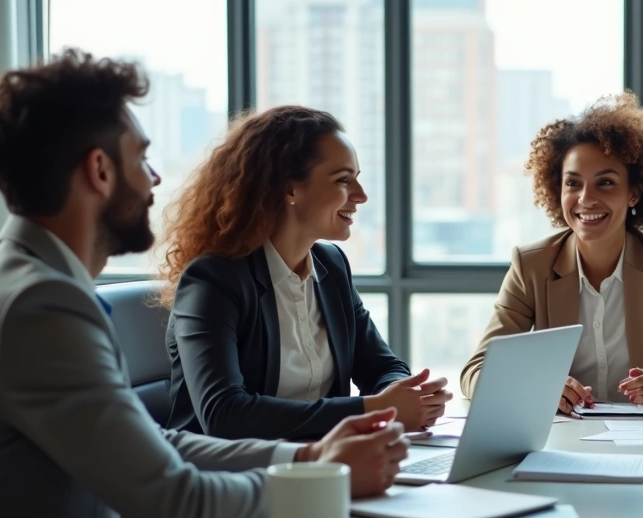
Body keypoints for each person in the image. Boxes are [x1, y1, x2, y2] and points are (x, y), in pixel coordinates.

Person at [0, 50, 408, 518]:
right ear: (99, 171)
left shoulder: (32, 282)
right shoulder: (42, 305)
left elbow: (155, 446)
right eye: (141, 159)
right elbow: (176, 506)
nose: (155, 178)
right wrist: (320, 479)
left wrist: (309, 458)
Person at [159, 105, 452, 441]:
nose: (361, 195)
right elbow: (224, 414)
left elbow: (382, 366)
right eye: (343, 179)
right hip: (234, 479)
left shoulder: (331, 266)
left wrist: (406, 395)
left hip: (326, 465)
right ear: (290, 189)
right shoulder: (214, 280)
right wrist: (374, 410)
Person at [461, 92, 643, 415]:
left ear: (634, 193)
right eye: (573, 183)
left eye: (606, 183)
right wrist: (538, 387)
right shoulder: (531, 267)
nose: (586, 199)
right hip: (561, 443)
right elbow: (475, 372)